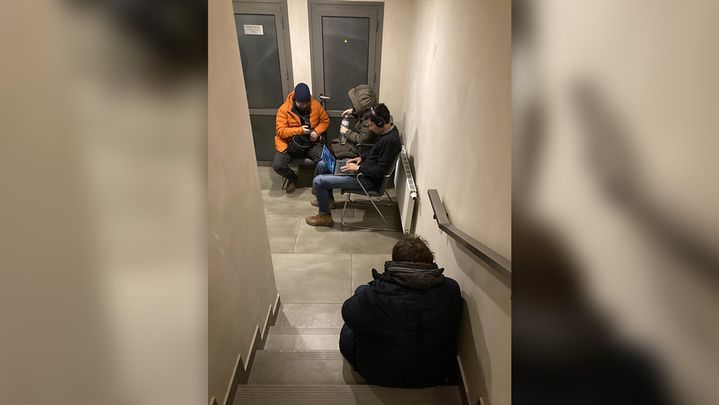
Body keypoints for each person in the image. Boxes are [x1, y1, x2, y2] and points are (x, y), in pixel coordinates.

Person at [339, 236, 462, 388]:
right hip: (436, 374)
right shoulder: (451, 289)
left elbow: (347, 312)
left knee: (350, 326)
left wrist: (363, 290)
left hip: (379, 374)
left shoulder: (373, 296)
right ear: (430, 261)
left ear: (396, 262)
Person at [305, 103, 401, 227]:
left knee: (318, 181)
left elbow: (380, 171)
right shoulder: (387, 131)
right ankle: (328, 201)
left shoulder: (390, 141)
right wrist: (361, 158)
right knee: (322, 165)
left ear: (381, 123)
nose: (370, 129)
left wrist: (358, 168)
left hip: (366, 180)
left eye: (371, 125)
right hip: (363, 170)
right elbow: (375, 151)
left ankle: (325, 216)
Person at [273, 82, 329, 194]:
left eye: (306, 103)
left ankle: (318, 183)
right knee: (278, 166)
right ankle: (293, 178)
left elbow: (325, 121)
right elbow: (280, 131)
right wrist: (299, 130)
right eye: (300, 103)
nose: (303, 105)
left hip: (310, 143)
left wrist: (316, 132)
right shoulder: (284, 109)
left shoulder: (316, 105)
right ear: (294, 99)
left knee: (325, 160)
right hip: (289, 144)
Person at [330, 84, 379, 158]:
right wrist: (353, 111)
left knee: (333, 150)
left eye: (356, 104)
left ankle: (332, 168)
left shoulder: (370, 121)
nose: (353, 104)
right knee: (334, 143)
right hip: (358, 145)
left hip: (361, 149)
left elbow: (362, 139)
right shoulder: (370, 112)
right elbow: (362, 113)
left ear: (362, 105)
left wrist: (346, 131)